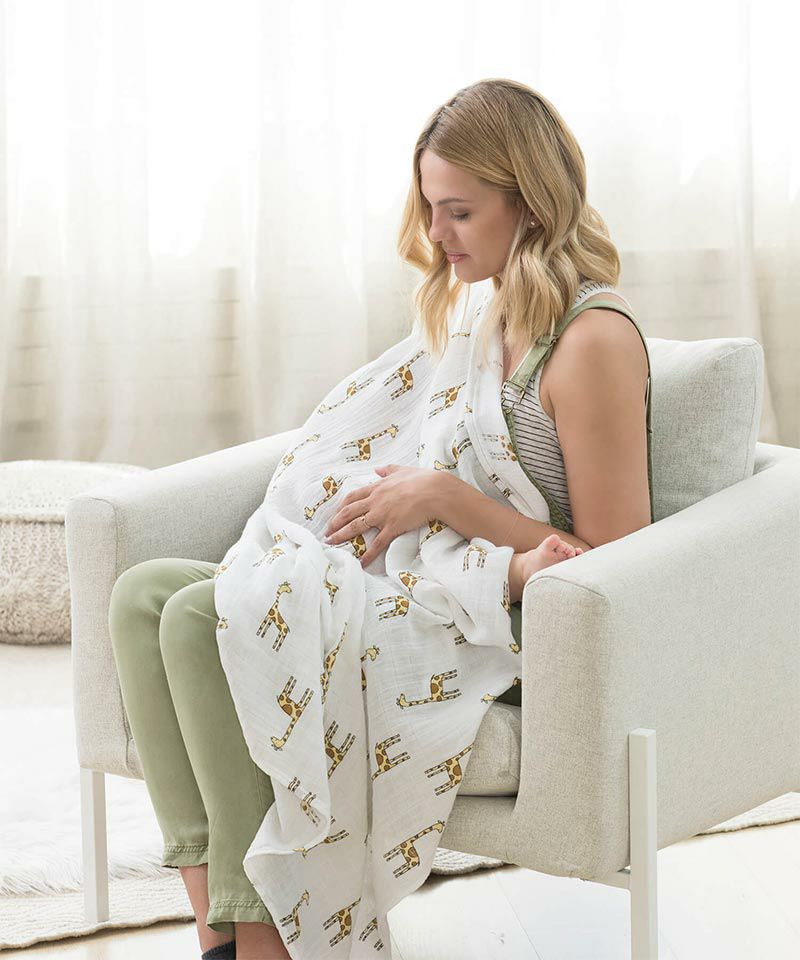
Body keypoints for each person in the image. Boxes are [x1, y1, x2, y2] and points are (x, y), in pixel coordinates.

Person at [108, 77, 650, 960]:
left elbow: (621, 561)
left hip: (508, 626)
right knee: (144, 597)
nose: (436, 234)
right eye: (430, 208)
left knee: (203, 615)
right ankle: (221, 938)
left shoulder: (591, 340)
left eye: (459, 212)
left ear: (530, 203)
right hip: (427, 582)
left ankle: (266, 945)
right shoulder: (486, 311)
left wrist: (442, 500)